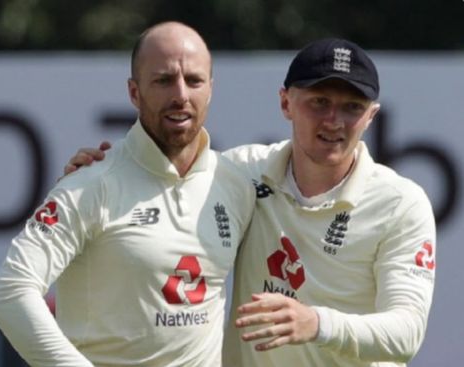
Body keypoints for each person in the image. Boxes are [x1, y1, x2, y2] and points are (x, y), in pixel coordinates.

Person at [62, 38, 436, 367]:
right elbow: (159, 187)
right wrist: (96, 179)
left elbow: (406, 333)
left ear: (371, 116)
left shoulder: (401, 204)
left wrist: (316, 323)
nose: (334, 120)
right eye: (319, 102)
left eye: (352, 107)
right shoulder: (239, 173)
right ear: (286, 102)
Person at [0, 21, 255, 367]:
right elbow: (9, 292)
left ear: (211, 89)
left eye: (194, 80)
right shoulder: (89, 185)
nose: (181, 95)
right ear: (134, 92)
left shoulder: (236, 182)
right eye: (163, 80)